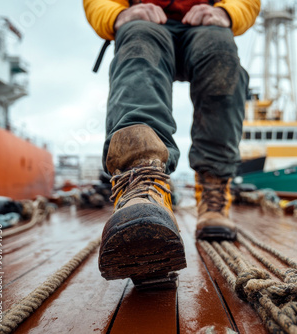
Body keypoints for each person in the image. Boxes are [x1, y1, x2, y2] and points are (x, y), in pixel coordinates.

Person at [83, 0, 260, 285]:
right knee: (138, 42)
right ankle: (141, 184)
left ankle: (213, 194)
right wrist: (115, 15)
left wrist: (228, 12)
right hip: (145, 20)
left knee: (221, 53)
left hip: (204, 23)